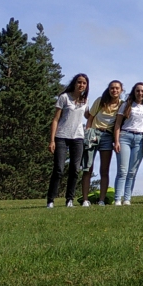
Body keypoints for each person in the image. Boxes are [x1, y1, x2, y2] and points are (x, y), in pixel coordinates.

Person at [48, 73, 89, 208]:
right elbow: (55, 119)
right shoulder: (64, 97)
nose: (81, 85)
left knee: (75, 169)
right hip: (61, 136)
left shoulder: (85, 100)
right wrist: (52, 140)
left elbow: (89, 115)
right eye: (79, 82)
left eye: (84, 83)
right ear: (74, 83)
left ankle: (69, 200)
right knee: (59, 169)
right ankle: (51, 200)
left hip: (78, 137)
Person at [82, 79, 123, 205]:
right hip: (94, 133)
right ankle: (85, 200)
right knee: (87, 168)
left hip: (108, 136)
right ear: (108, 89)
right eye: (112, 88)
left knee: (104, 170)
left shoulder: (122, 104)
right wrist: (88, 133)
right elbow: (90, 118)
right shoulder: (100, 101)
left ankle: (101, 200)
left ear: (121, 90)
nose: (114, 90)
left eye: (117, 88)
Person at [114, 82, 143, 205]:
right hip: (125, 136)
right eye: (138, 91)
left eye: (142, 91)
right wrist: (116, 141)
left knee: (132, 172)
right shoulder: (126, 105)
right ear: (134, 92)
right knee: (122, 170)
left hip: (140, 139)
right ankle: (117, 199)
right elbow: (118, 124)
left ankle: (127, 199)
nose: (140, 93)